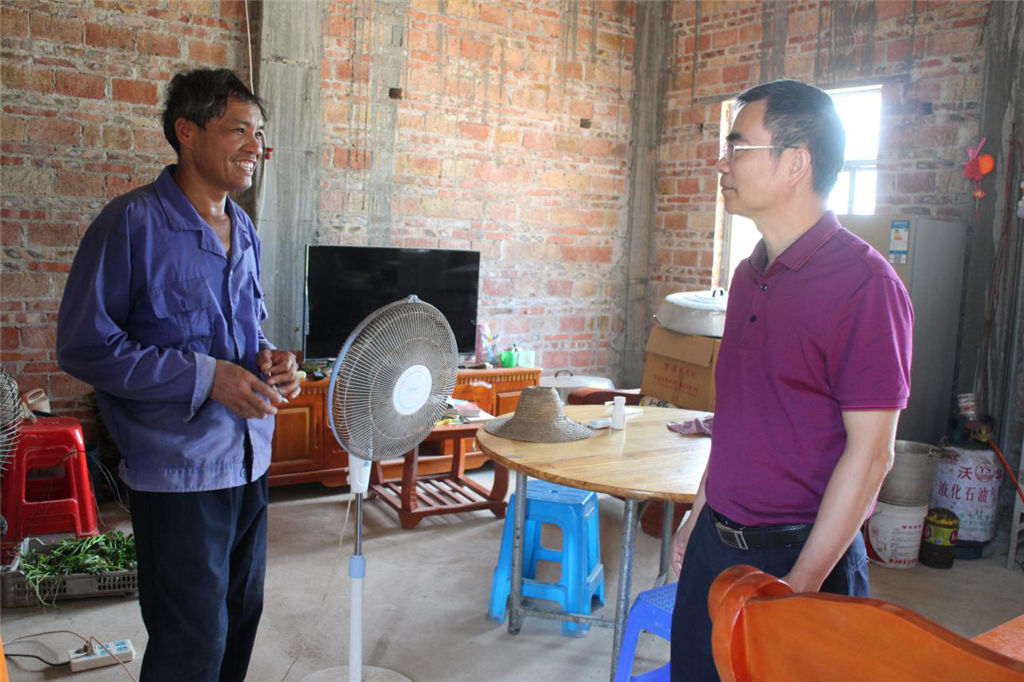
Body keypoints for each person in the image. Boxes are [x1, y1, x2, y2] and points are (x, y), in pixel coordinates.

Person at [57, 68, 299, 681]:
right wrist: (207, 378)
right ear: (186, 132)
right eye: (238, 130)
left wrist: (272, 361)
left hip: (249, 460)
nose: (255, 146)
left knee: (240, 616)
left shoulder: (243, 228)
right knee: (192, 637)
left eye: (259, 133)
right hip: (177, 473)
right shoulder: (130, 223)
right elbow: (85, 347)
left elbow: (247, 330)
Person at [669, 79, 913, 681]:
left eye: (738, 147)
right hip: (716, 547)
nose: (722, 162)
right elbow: (742, 417)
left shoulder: (865, 286)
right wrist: (698, 514)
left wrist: (802, 583)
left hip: (799, 558)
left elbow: (872, 454)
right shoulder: (749, 275)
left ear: (795, 163)